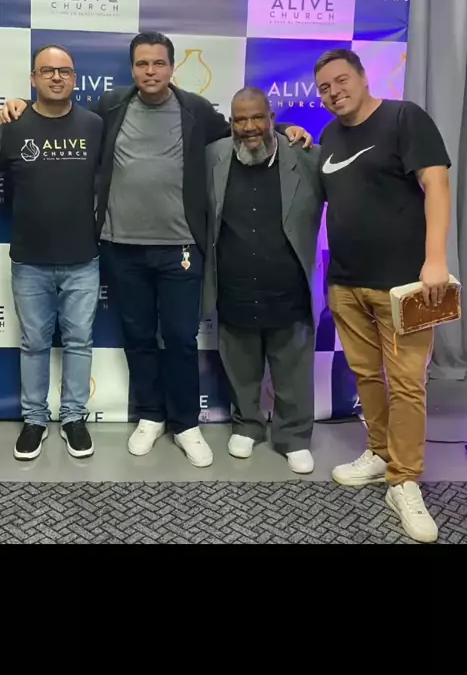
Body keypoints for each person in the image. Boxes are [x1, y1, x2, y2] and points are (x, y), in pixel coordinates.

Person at [0, 32, 312, 468]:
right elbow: (52, 117)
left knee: (181, 338)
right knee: (139, 337)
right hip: (121, 247)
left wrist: (283, 129)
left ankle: (185, 424)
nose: (150, 71)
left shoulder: (195, 109)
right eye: (142, 63)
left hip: (180, 248)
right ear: (132, 68)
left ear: (172, 67)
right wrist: (16, 103)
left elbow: (242, 129)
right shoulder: (109, 107)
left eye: (159, 63)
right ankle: (150, 416)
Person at [314, 47, 451, 543]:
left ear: (362, 77)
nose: (334, 92)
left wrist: (435, 260)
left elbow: (437, 185)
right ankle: (379, 450)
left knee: (408, 384)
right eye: (324, 88)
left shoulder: (403, 117)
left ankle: (405, 480)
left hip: (405, 284)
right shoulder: (329, 136)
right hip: (345, 282)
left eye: (341, 80)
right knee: (367, 375)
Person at [202, 86, 324, 474]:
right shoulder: (214, 156)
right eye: (240, 120)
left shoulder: (305, 155)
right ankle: (247, 425)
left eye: (258, 117)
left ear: (272, 118)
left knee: (293, 369)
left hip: (289, 288)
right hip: (234, 286)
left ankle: (294, 436)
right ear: (231, 124)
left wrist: (290, 129)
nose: (249, 126)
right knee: (240, 366)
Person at [0, 45, 102, 460]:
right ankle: (35, 420)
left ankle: (74, 418)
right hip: (29, 260)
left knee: (79, 342)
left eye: (64, 71)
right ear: (33, 78)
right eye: (47, 71)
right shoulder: (12, 125)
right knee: (34, 343)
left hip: (83, 258)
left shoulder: (94, 125)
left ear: (75, 79)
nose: (56, 77)